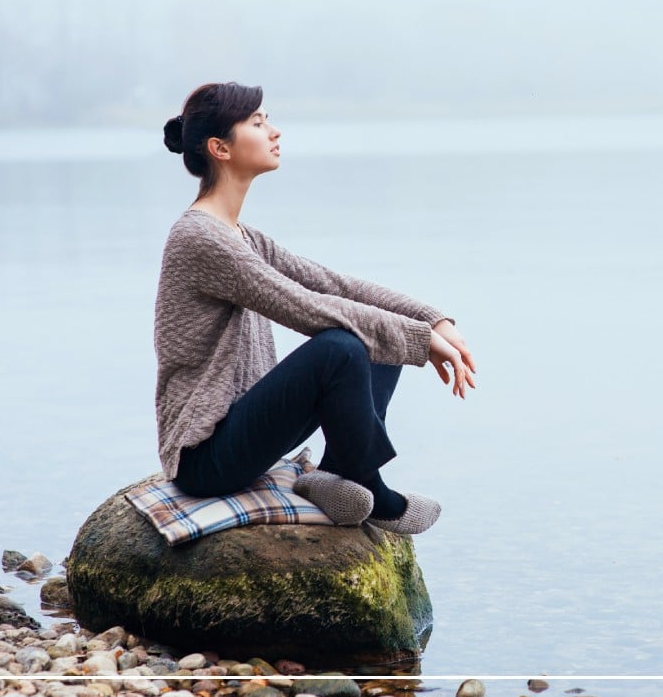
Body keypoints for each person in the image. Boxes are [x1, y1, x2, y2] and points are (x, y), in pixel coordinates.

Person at [155, 81, 474, 536]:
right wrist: (421, 341)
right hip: (204, 459)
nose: (275, 132)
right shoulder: (200, 239)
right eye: (258, 122)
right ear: (220, 148)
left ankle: (338, 471)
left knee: (375, 338)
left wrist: (431, 319)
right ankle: (373, 491)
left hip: (246, 436)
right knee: (340, 347)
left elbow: (333, 285)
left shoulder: (242, 236)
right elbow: (304, 307)